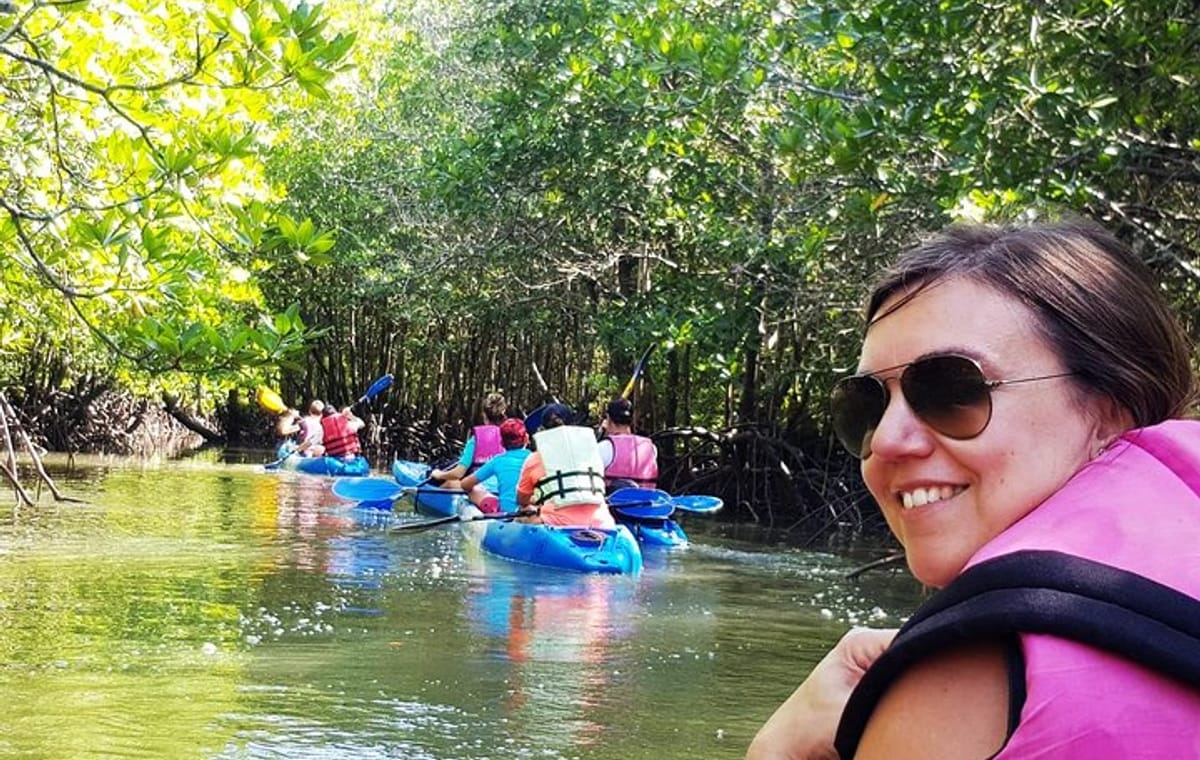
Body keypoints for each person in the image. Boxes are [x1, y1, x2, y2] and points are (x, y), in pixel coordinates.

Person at [746, 219, 1200, 760]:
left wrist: (777, 752)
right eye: (865, 406)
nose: (887, 440)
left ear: (1108, 414)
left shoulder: (962, 675)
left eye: (952, 390)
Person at [516, 403, 616, 528]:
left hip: (555, 523)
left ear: (543, 430)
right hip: (602, 522)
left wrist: (535, 501)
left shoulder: (535, 458)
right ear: (573, 426)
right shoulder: (592, 452)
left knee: (521, 518)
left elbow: (521, 501)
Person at [431, 391, 508, 486]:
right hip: (503, 487)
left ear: (484, 416)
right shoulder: (510, 438)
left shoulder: (475, 440)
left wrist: (439, 475)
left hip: (479, 489)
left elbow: (458, 473)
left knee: (451, 483)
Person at [459, 418, 532, 514]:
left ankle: (493, 507)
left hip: (507, 512)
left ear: (502, 443)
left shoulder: (498, 460)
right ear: (526, 438)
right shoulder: (537, 458)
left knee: (476, 489)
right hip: (531, 510)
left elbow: (465, 484)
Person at [597, 397, 659, 491]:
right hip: (646, 503)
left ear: (609, 419)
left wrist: (601, 433)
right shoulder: (652, 448)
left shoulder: (604, 447)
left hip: (613, 504)